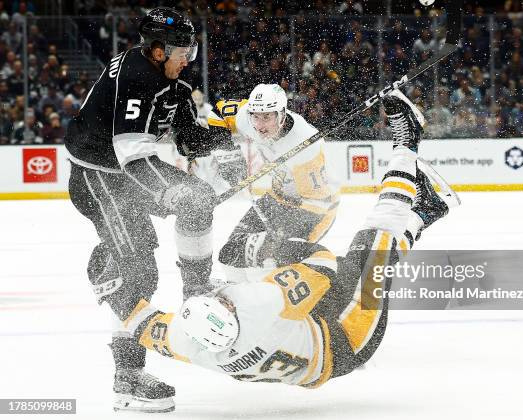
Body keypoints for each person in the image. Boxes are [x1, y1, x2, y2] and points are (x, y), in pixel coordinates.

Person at [105, 91, 455, 393]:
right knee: (377, 238)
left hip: (302, 212)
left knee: (236, 259)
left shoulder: (190, 344)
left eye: (266, 117)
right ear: (232, 313)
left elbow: (144, 324)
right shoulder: (259, 304)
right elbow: (323, 263)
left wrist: (106, 290)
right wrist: (273, 249)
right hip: (352, 336)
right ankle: (408, 145)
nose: (259, 124)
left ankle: (426, 211)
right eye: (223, 302)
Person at [65, 7, 232, 412]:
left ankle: (196, 290)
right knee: (137, 272)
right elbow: (133, 158)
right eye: (183, 53)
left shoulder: (168, 82)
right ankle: (128, 378)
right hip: (98, 178)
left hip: (123, 172)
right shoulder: (139, 78)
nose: (187, 60)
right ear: (158, 51)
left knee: (197, 207)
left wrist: (234, 139)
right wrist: (173, 193)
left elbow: (190, 138)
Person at [205, 84, 340, 280]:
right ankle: (237, 298)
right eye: (256, 116)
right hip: (275, 198)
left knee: (279, 264)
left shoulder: (306, 145)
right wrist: (227, 153)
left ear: (282, 114)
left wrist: (283, 233)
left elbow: (317, 202)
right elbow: (217, 112)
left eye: (267, 117)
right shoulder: (246, 119)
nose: (260, 125)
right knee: (231, 253)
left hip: (316, 208)